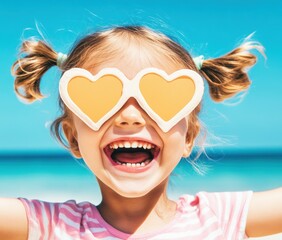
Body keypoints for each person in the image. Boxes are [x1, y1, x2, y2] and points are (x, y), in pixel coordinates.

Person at [1, 25, 281, 240]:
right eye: (103, 101)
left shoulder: (219, 218)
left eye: (158, 100)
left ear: (188, 137)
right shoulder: (53, 227)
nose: (130, 118)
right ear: (73, 137)